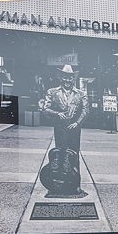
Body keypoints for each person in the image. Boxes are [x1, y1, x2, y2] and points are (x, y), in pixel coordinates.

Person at [36, 64, 89, 199]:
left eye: (70, 78)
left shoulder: (81, 93)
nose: (67, 80)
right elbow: (45, 109)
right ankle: (58, 184)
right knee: (59, 155)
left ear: (73, 79)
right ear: (61, 78)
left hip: (74, 128)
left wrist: (77, 123)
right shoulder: (52, 92)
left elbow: (85, 110)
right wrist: (57, 114)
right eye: (65, 77)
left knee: (74, 155)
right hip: (59, 128)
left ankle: (75, 184)